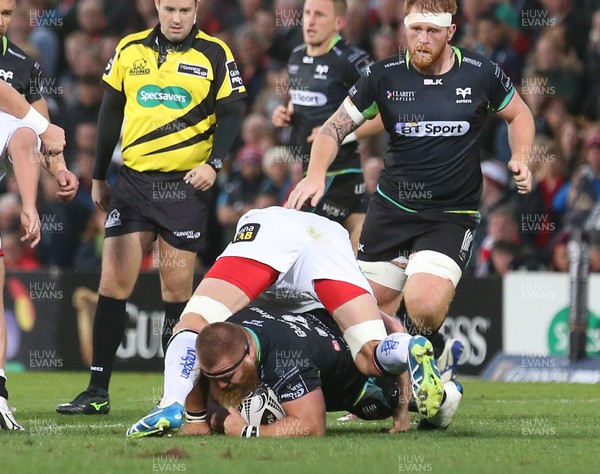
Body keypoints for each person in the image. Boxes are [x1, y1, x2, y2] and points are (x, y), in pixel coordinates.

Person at [286, 0, 533, 364]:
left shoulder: (481, 73)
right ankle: (409, 376)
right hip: (391, 210)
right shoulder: (382, 76)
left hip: (450, 214)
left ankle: (434, 348)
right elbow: (333, 128)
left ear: (450, 32)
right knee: (365, 316)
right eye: (415, 29)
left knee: (423, 304)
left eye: (432, 31)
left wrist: (522, 158)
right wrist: (315, 174)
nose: (422, 39)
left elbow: (520, 114)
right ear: (404, 27)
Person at [56, 0, 246, 415]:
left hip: (185, 187)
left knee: (175, 294)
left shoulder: (215, 53)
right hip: (135, 183)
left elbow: (233, 113)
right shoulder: (129, 49)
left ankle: (173, 397)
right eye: (169, 8)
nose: (177, 18)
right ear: (156, 7)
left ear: (196, 9)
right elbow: (110, 112)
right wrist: (100, 175)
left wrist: (214, 163)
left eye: (185, 9)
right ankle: (96, 392)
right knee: (112, 284)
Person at [126, 206, 447, 437]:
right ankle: (407, 350)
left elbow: (201, 336)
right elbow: (393, 323)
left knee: (194, 323)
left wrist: (206, 421)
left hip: (270, 230)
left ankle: (173, 403)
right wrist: (402, 410)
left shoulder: (246, 323)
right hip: (328, 240)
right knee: (369, 354)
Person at [179, 306, 463, 437]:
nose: (224, 384)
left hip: (358, 380)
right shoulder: (230, 332)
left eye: (228, 375)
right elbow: (201, 375)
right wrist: (202, 418)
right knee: (379, 343)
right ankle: (401, 346)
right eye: (215, 377)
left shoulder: (286, 363)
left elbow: (312, 427)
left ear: (250, 353)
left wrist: (248, 431)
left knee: (381, 404)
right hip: (329, 320)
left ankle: (444, 397)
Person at [0, 0, 78, 430]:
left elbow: (39, 130)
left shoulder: (22, 63)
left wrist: (61, 169)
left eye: (7, 12)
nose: (1, 20)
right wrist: (44, 128)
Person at [271, 0, 375, 252]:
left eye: (319, 14)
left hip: (340, 172)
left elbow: (382, 113)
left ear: (338, 22)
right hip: (309, 171)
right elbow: (302, 100)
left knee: (301, 246)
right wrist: (285, 114)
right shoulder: (296, 56)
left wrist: (339, 134)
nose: (310, 20)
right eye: (307, 13)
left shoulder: (353, 61)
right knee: (354, 254)